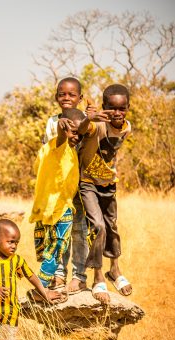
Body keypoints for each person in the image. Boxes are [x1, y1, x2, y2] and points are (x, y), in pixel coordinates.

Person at [29, 108, 106, 303]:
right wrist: (63, 130)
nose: (76, 137)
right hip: (56, 210)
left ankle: (42, 286)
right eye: (73, 132)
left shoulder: (71, 150)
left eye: (79, 134)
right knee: (55, 250)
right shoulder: (57, 146)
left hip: (56, 209)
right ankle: (41, 289)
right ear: (62, 128)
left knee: (53, 250)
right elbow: (62, 137)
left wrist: (85, 123)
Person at [77, 84, 133, 304]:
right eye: (112, 108)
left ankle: (115, 270)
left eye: (122, 108)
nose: (117, 113)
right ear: (104, 107)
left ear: (127, 108)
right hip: (88, 182)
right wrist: (88, 118)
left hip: (109, 183)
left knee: (112, 226)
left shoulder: (126, 127)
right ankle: (98, 276)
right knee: (98, 226)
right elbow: (82, 130)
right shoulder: (97, 125)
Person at [43, 77, 94, 294]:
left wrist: (89, 120)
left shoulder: (88, 121)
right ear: (56, 97)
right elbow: (49, 149)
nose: (66, 98)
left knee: (79, 231)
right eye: (62, 94)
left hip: (81, 187)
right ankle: (59, 275)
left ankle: (79, 276)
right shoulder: (52, 122)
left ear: (80, 98)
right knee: (59, 231)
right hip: (58, 187)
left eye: (72, 94)